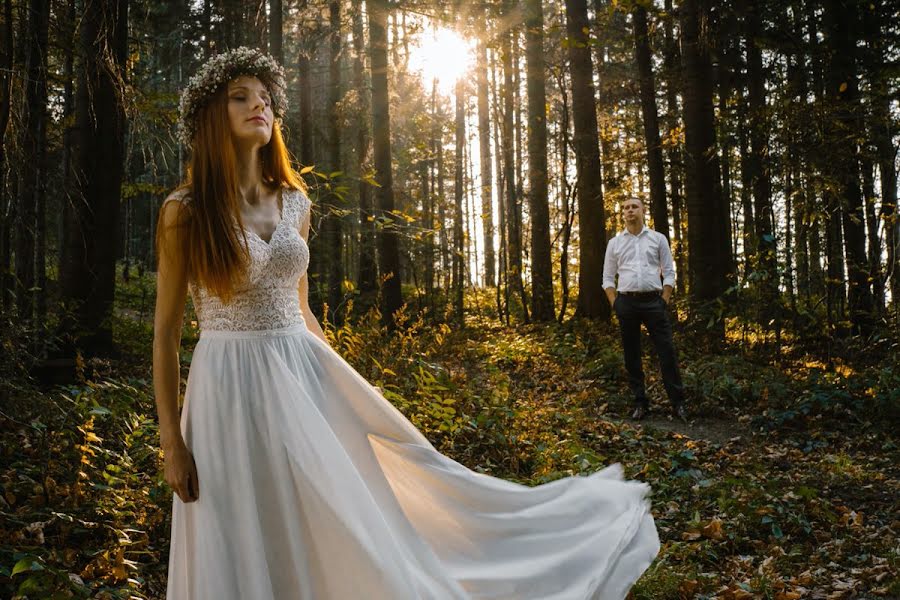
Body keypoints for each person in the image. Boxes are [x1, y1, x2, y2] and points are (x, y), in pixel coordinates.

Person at [154, 47, 660, 600]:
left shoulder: (296, 203)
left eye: (267, 99)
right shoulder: (187, 210)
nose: (260, 106)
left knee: (342, 507)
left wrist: (340, 389)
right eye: (241, 97)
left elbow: (300, 308)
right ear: (210, 116)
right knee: (238, 522)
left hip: (301, 371)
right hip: (227, 385)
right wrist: (171, 440)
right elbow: (166, 331)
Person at [603, 197, 687, 422]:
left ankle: (678, 403)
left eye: (634, 207)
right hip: (626, 303)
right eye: (626, 208)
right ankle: (640, 403)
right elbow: (608, 278)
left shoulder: (658, 239)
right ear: (623, 214)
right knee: (632, 355)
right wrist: (615, 303)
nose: (629, 211)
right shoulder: (616, 243)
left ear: (643, 211)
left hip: (654, 303)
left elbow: (669, 272)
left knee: (666, 351)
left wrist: (664, 300)